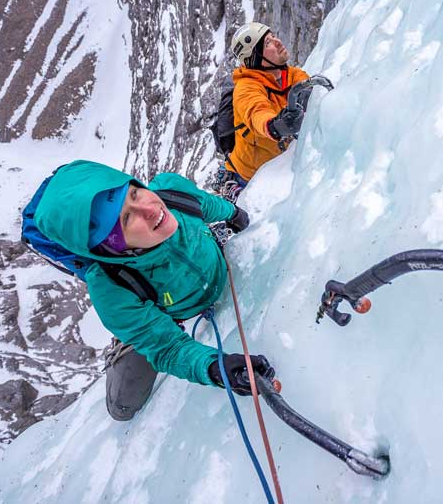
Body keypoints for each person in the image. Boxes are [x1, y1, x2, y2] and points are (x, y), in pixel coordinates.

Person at [33, 160, 276, 421]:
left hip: (206, 270)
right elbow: (168, 348)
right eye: (126, 219)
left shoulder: (172, 192)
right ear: (107, 249)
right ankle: (133, 335)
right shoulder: (111, 289)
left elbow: (204, 204)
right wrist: (215, 368)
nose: (149, 208)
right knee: (122, 409)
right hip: (169, 311)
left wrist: (234, 214)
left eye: (134, 193)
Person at [216, 21, 311, 202]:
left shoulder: (289, 74)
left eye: (273, 36)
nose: (277, 42)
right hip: (251, 177)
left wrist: (308, 93)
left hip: (279, 165)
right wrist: (275, 125)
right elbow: (256, 112)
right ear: (255, 57)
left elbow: (302, 80)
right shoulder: (246, 88)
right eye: (267, 43)